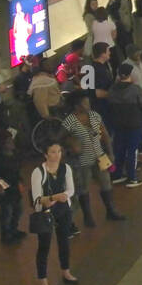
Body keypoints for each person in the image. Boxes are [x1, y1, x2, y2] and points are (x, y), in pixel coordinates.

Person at [61, 91, 124, 227]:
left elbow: (105, 135)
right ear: (77, 106)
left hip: (99, 156)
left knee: (105, 183)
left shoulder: (95, 116)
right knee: (83, 188)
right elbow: (60, 138)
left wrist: (110, 153)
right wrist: (70, 145)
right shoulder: (69, 122)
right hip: (82, 161)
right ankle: (88, 216)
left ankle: (110, 210)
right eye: (85, 103)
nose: (88, 104)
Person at [30, 142, 79, 285]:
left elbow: (70, 189)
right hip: (46, 212)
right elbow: (37, 198)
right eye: (52, 152)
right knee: (44, 246)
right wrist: (53, 197)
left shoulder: (66, 168)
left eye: (59, 151)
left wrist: (63, 197)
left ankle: (66, 270)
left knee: (64, 240)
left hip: (62, 209)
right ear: (45, 154)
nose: (57, 154)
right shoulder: (38, 172)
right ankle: (43, 280)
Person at [107, 64, 142, 188]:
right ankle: (132, 177)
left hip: (118, 125)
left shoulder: (112, 90)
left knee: (119, 150)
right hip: (134, 125)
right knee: (132, 151)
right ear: (130, 75)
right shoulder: (136, 90)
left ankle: (117, 174)